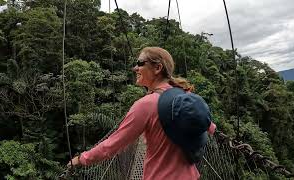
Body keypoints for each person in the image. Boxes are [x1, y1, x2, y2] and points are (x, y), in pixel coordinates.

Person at [68, 47, 215, 180]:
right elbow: (208, 124)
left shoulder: (146, 105)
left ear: (157, 68)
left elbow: (113, 144)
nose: (135, 68)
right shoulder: (184, 95)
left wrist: (81, 159)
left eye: (140, 63)